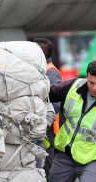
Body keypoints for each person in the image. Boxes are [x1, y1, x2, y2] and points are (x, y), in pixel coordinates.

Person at [34, 38, 62, 178]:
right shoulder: (43, 70)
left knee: (48, 163)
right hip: (46, 126)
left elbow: (56, 103)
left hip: (50, 128)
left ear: (42, 54)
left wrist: (47, 122)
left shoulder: (51, 73)